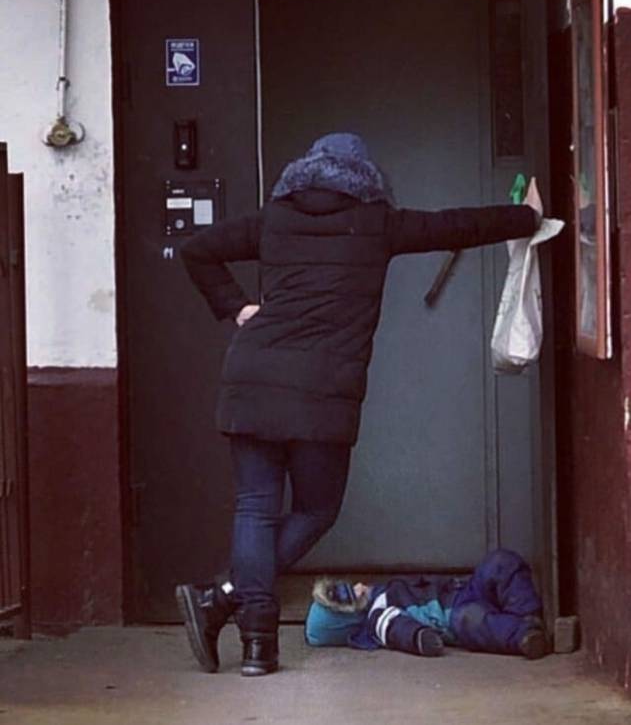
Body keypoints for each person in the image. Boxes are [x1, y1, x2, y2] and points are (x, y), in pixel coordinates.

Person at [175, 133, 539, 676]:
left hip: (252, 379)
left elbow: (197, 249)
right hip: (322, 393)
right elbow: (455, 226)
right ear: (365, 179)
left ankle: (254, 644)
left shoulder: (274, 220)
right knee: (316, 510)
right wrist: (526, 217)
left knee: (255, 507)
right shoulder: (376, 223)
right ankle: (222, 598)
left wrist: (238, 307)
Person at [305, 548, 549, 660]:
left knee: (500, 562)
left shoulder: (383, 591)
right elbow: (396, 628)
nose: (359, 586)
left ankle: (527, 616)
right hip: (452, 617)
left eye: (352, 585)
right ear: (347, 620)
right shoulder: (377, 616)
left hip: (464, 590)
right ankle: (524, 636)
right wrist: (419, 638)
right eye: (353, 595)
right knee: (475, 621)